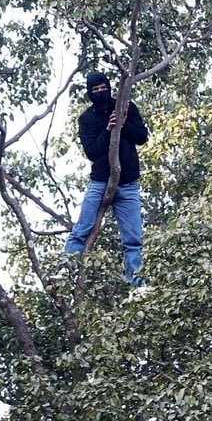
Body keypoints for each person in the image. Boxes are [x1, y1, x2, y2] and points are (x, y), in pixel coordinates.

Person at [65, 70, 149, 283]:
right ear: (90, 92)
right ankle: (65, 274)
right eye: (96, 89)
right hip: (100, 182)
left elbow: (142, 137)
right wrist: (108, 129)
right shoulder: (86, 119)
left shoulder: (126, 107)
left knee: (133, 240)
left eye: (104, 88)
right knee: (81, 230)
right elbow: (92, 152)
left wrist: (123, 124)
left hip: (128, 184)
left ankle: (138, 287)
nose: (101, 92)